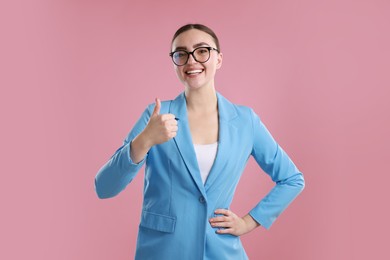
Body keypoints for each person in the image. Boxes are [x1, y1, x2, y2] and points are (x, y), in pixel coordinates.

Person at [95, 23, 305, 260]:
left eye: (202, 50)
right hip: (163, 252)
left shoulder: (246, 121)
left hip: (222, 252)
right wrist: (144, 141)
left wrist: (249, 222)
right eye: (181, 54)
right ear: (174, 62)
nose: (191, 60)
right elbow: (104, 188)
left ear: (219, 59)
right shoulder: (155, 116)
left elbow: (292, 179)